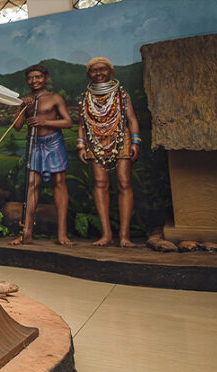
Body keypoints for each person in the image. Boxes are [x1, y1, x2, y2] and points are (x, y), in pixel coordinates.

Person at [77, 57, 141, 247]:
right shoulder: (86, 97)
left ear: (111, 71)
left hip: (122, 137)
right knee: (100, 183)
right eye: (94, 70)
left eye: (103, 69)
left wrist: (135, 142)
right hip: (96, 140)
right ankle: (106, 235)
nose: (99, 73)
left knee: (123, 181)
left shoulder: (122, 95)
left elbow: (132, 119)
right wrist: (81, 145)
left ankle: (124, 236)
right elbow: (82, 123)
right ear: (89, 74)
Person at [10, 64, 74, 246]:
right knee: (31, 185)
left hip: (53, 143)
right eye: (30, 78)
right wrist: (21, 106)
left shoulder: (55, 98)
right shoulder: (26, 101)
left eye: (38, 77)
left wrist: (46, 121)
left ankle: (62, 234)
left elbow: (68, 122)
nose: (34, 80)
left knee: (59, 184)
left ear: (46, 78)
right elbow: (17, 126)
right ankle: (26, 234)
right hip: (34, 144)